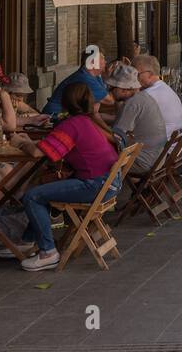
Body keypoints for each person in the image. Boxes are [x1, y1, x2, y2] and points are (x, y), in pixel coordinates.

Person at [9, 82, 123, 271]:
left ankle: (48, 252)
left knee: (33, 196)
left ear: (64, 102)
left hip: (95, 186)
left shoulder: (71, 124)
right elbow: (54, 147)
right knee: (46, 189)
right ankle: (29, 241)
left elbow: (38, 154)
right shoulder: (89, 121)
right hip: (110, 185)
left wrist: (20, 142)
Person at [106, 62, 167, 175]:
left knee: (96, 158)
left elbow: (117, 137)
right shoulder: (142, 97)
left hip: (144, 162)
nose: (110, 91)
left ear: (124, 89)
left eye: (112, 88)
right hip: (158, 159)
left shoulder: (132, 103)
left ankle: (103, 191)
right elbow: (119, 123)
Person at [43, 48, 114, 116]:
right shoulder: (85, 78)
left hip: (66, 115)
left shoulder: (93, 75)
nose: (105, 61)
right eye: (102, 58)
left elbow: (96, 110)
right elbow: (110, 101)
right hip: (55, 116)